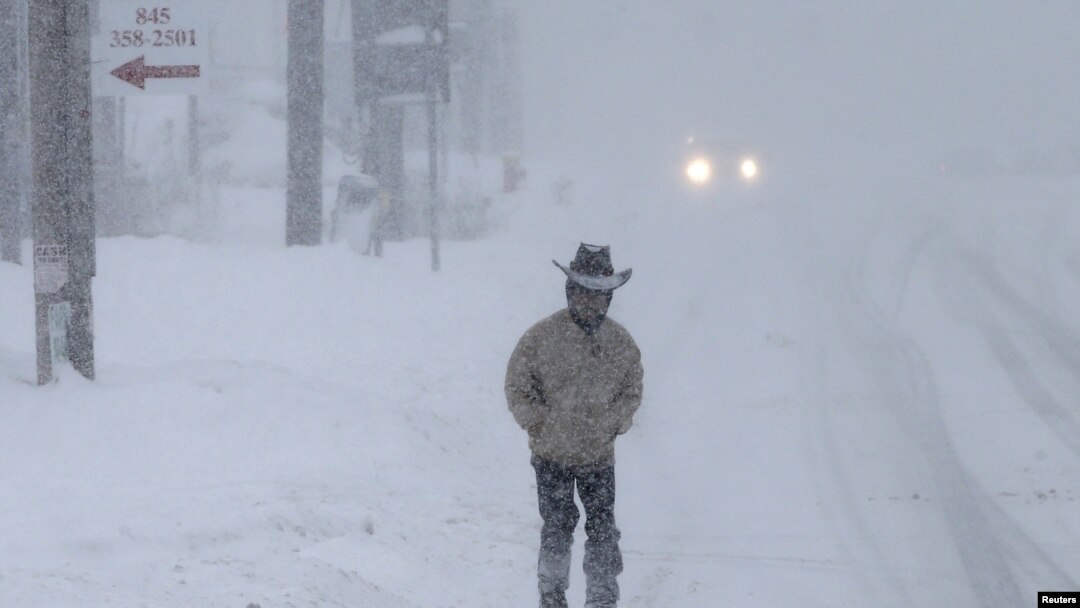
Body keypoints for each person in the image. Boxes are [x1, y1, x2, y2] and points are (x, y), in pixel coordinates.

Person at [505, 243, 644, 608]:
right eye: (585, 293)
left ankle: (601, 596)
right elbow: (517, 386)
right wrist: (540, 423)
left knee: (602, 531)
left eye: (600, 295)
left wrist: (611, 424)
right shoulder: (541, 338)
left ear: (609, 298)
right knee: (557, 528)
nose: (592, 302)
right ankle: (551, 595)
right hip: (551, 457)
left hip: (598, 458)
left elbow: (632, 391)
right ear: (571, 291)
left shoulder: (621, 344)